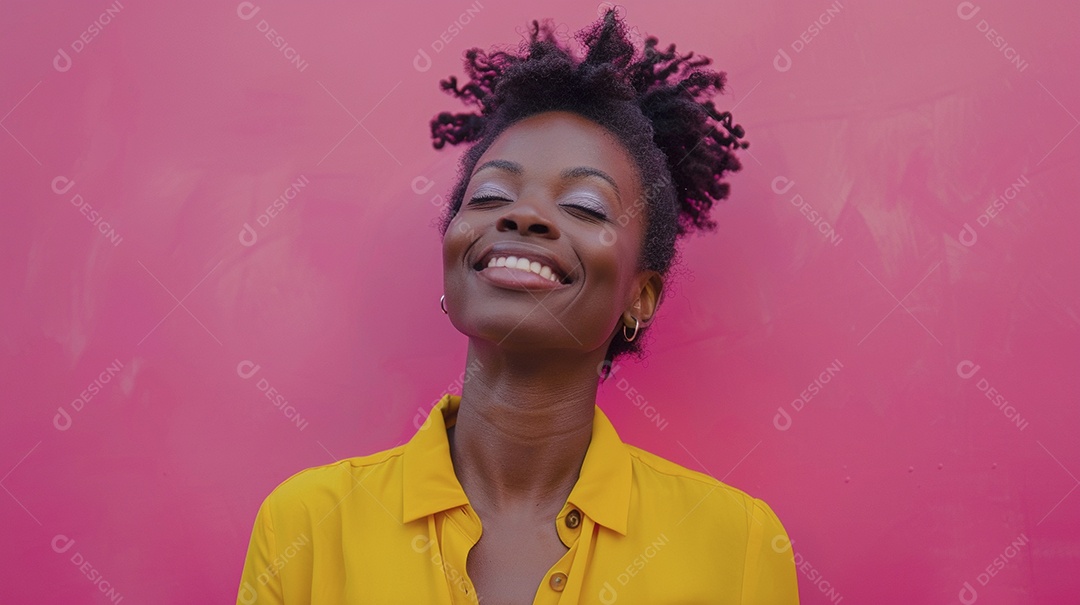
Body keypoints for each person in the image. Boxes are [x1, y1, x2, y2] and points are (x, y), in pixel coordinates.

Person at [237, 8, 799, 604]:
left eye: (585, 206)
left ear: (641, 295)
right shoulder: (307, 527)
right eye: (491, 195)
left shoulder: (735, 547)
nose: (523, 215)